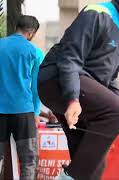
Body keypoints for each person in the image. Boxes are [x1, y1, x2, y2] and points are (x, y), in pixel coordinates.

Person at [37, 0, 119, 179]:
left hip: (84, 91)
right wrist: (73, 98)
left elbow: (110, 77)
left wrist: (117, 103)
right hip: (55, 80)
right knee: (117, 111)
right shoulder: (97, 13)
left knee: (94, 165)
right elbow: (70, 58)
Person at [0, 15, 43, 180]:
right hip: (23, 112)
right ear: (31, 32)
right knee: (28, 160)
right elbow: (36, 86)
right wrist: (36, 112)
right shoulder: (34, 51)